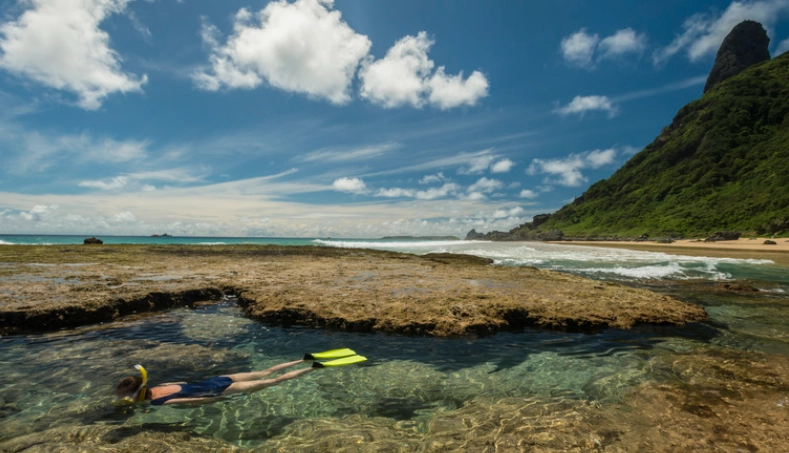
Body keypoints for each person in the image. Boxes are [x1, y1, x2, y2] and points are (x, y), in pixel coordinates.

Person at [115, 349, 365, 406]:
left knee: (275, 381)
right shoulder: (161, 385)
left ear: (136, 395)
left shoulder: (161, 402)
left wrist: (221, 401)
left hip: (221, 390)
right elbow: (187, 385)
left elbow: (200, 400)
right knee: (267, 372)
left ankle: (315, 367)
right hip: (219, 378)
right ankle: (304, 359)